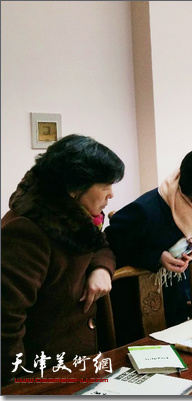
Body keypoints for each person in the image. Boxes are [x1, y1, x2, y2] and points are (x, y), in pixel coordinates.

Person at [1, 135, 125, 383]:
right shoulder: (26, 232)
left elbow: (101, 246)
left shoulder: (75, 218)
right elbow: (6, 320)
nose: (111, 194)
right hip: (43, 372)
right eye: (104, 186)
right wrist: (17, 387)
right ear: (74, 188)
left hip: (77, 362)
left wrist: (101, 268)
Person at [105, 147, 192, 327]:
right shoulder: (145, 210)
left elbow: (190, 241)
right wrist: (157, 257)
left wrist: (191, 250)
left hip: (172, 291)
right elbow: (110, 244)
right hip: (133, 300)